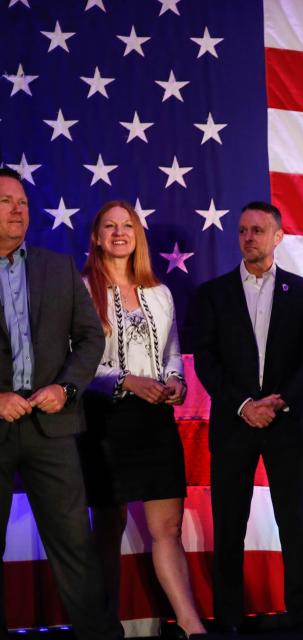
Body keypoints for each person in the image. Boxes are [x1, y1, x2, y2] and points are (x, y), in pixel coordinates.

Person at [193, 201, 303, 634]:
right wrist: (243, 406)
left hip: (287, 425)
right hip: (234, 425)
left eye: (258, 230)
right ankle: (228, 619)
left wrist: (279, 401)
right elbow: (206, 361)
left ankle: (302, 617)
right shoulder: (213, 294)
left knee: (294, 524)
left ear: (278, 237)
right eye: (243, 230)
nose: (249, 237)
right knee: (229, 527)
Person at [0, 167, 121, 638]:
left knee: (75, 546)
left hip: (52, 427)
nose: (18, 209)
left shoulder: (56, 267)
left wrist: (66, 389)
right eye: (6, 201)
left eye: (23, 202)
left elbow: (90, 338)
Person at [79, 201, 205, 637]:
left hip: (155, 421)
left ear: (137, 235)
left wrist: (175, 380)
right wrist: (127, 381)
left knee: (166, 528)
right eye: (109, 227)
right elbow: (75, 365)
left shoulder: (160, 292)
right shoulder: (81, 290)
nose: (119, 233)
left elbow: (172, 351)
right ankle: (102, 626)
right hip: (104, 421)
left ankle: (192, 627)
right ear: (96, 237)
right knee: (107, 528)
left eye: (127, 226)